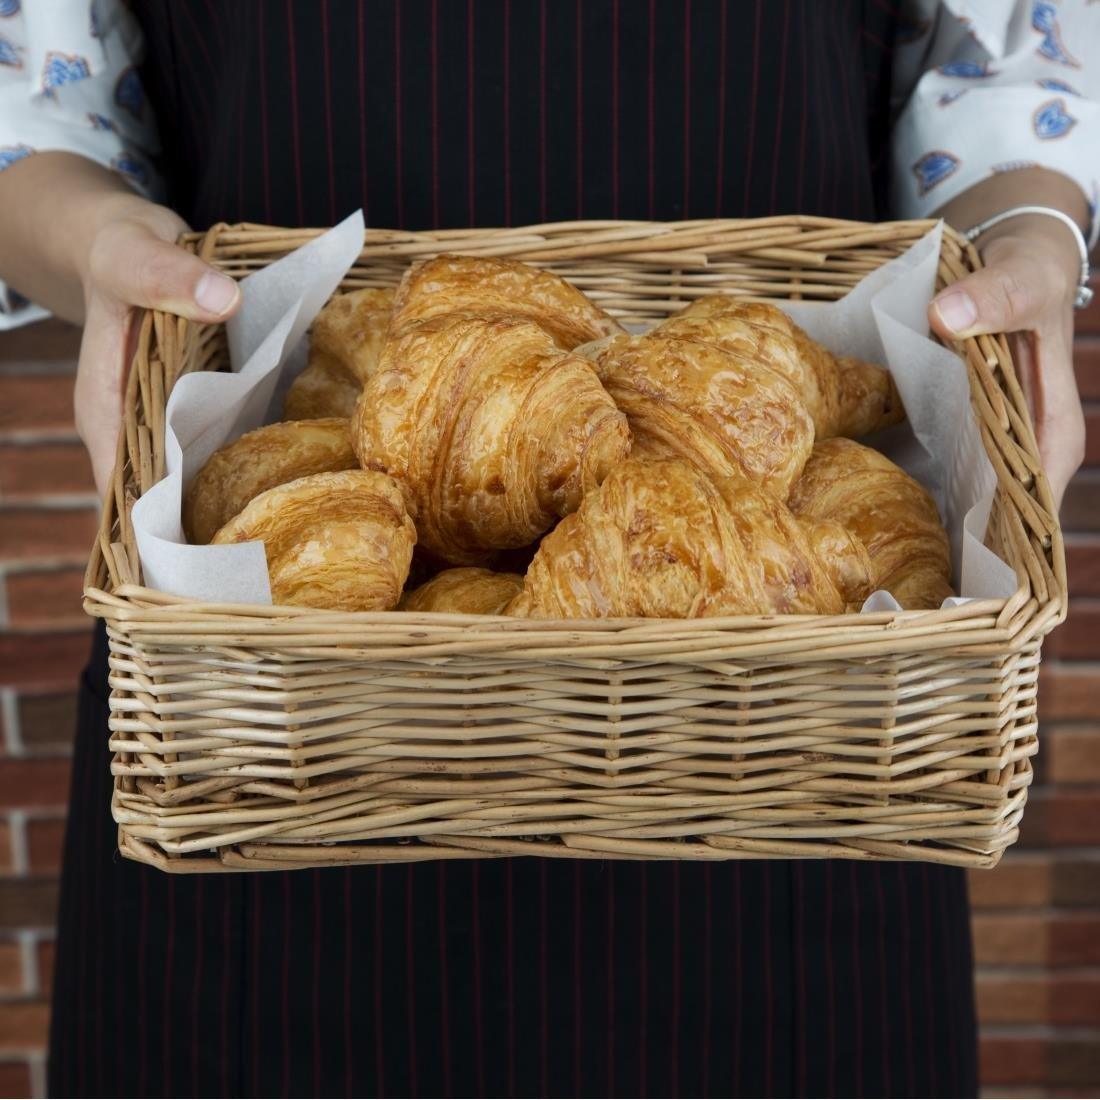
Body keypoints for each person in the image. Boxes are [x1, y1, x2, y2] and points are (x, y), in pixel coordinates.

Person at [0, 2, 1094, 1096]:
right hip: (265, 758)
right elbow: (33, 102)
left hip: (798, 773)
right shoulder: (364, 486)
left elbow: (1003, 79)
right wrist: (101, 246)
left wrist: (1025, 246)